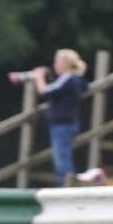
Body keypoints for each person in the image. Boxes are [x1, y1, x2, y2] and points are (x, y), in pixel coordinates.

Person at [33, 49, 87, 186]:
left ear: (65, 63)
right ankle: (67, 187)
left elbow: (44, 91)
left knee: (62, 161)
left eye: (56, 61)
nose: (55, 65)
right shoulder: (75, 80)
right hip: (67, 124)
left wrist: (38, 77)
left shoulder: (68, 79)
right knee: (63, 158)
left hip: (62, 125)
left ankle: (66, 189)